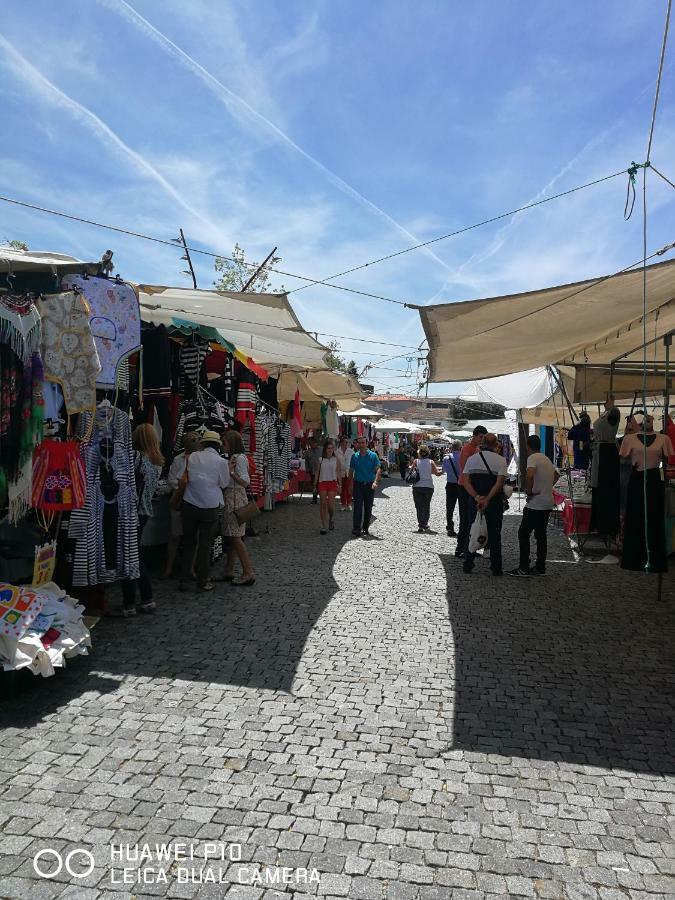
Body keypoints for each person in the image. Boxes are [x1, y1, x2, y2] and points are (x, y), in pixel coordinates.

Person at [121, 423, 164, 615]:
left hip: (133, 512)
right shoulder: (157, 463)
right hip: (145, 511)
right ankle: (146, 599)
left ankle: (132, 602)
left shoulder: (136, 458)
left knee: (130, 556)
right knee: (135, 554)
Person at [181, 430, 230, 593]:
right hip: (210, 505)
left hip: (190, 502)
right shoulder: (221, 462)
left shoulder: (192, 457)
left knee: (188, 542)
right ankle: (202, 581)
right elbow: (224, 483)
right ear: (218, 445)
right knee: (205, 544)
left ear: (203, 443)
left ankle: (184, 578)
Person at [508, 434, 558, 577]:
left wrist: (529, 490)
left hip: (536, 503)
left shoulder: (532, 458)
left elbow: (530, 474)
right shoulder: (546, 458)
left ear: (528, 446)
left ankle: (524, 567)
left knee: (523, 533)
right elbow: (556, 476)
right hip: (547, 502)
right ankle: (540, 566)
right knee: (541, 535)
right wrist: (547, 486)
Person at [461, 433, 507, 577]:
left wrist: (476, 497)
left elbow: (466, 482)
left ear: (482, 443)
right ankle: (496, 567)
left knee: (472, 531)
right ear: (495, 445)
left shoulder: (471, 460)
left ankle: (468, 564)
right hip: (493, 503)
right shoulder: (501, 461)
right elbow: (499, 483)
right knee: (495, 534)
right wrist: (487, 499)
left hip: (474, 502)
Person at [220, 429, 256, 586]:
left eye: (225, 443)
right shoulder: (237, 457)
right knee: (234, 537)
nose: (223, 446)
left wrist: (230, 472)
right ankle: (229, 570)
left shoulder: (238, 459)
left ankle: (248, 572)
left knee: (235, 538)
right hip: (234, 497)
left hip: (234, 498)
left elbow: (245, 481)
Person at [163, 431, 201, 578]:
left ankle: (190, 568)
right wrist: (180, 486)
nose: (197, 442)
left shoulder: (201, 460)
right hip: (179, 500)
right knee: (175, 536)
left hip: (194, 500)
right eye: (194, 440)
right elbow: (171, 480)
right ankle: (169, 567)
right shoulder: (178, 460)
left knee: (192, 537)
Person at [456, 426, 488, 557]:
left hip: (472, 487)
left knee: (473, 519)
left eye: (484, 438)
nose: (482, 440)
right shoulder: (467, 449)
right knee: (465, 519)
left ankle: (470, 547)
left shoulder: (477, 449)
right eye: (481, 437)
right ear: (474, 436)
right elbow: (465, 468)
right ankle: (460, 549)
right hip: (464, 487)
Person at [349, 436, 381, 537]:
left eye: (363, 443)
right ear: (357, 444)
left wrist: (375, 481)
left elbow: (378, 470)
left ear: (366, 443)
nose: (361, 445)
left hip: (369, 485)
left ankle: (365, 527)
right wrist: (350, 485)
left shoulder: (373, 456)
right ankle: (356, 528)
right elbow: (351, 472)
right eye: (360, 443)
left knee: (368, 508)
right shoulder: (354, 456)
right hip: (358, 484)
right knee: (358, 507)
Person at [409, 444, 442, 532]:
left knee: (419, 506)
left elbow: (411, 472)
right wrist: (443, 470)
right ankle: (425, 524)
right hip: (428, 487)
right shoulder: (431, 462)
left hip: (417, 487)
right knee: (426, 506)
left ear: (419, 453)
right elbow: (437, 473)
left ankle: (420, 525)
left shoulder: (416, 461)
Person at [314, 439, 342, 534]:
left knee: (330, 505)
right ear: (325, 449)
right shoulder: (320, 460)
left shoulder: (336, 460)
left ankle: (331, 519)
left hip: (332, 483)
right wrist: (314, 484)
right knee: (323, 504)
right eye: (328, 448)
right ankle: (323, 525)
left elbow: (338, 472)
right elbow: (317, 472)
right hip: (322, 483)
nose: (330, 450)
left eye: (331, 448)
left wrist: (340, 485)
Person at [442, 441, 462, 537]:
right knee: (463, 507)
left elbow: (444, 470)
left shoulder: (446, 458)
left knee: (449, 508)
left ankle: (450, 527)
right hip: (461, 485)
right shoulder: (463, 457)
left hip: (450, 485)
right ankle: (463, 528)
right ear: (460, 448)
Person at [336, 437, 354, 511]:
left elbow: (353, 462)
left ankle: (349, 503)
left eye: (347, 442)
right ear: (341, 443)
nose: (347, 444)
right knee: (342, 489)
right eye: (345, 442)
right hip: (340, 473)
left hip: (349, 472)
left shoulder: (351, 451)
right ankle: (343, 504)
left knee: (349, 488)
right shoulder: (337, 452)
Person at [305, 436, 322, 503]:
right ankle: (314, 499)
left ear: (316, 443)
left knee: (320, 485)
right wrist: (307, 469)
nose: (311, 445)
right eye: (310, 443)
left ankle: (322, 498)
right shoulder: (308, 452)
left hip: (321, 471)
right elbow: (307, 462)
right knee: (314, 485)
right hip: (312, 471)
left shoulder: (322, 449)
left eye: (312, 443)